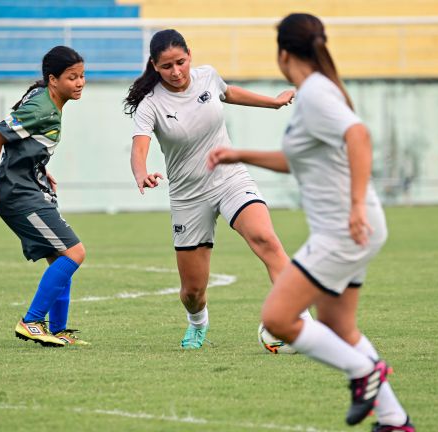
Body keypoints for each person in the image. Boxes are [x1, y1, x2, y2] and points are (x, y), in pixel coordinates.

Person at [208, 14, 415, 431]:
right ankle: (394, 419)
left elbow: (359, 136)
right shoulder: (317, 91)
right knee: (339, 326)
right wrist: (240, 154)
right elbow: (297, 161)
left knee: (279, 318)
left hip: (345, 227)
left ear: (283, 53)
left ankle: (364, 373)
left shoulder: (317, 93)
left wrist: (355, 206)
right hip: (353, 226)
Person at [124, 29, 313, 350]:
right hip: (188, 196)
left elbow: (229, 93)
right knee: (192, 292)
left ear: (190, 56)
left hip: (230, 178)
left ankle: (301, 323)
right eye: (167, 66)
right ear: (155, 66)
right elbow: (139, 146)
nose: (176, 72)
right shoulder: (150, 104)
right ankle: (197, 322)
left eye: (181, 62)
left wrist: (274, 103)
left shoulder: (207, 76)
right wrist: (141, 173)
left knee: (266, 239)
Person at [0, 46, 89, 347]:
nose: (79, 82)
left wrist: (38, 167)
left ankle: (58, 330)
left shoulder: (46, 99)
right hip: (18, 195)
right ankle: (31, 321)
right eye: (72, 77)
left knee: (59, 257)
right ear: (53, 80)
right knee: (74, 253)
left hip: (28, 186)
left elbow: (22, 144)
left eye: (82, 76)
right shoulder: (42, 108)